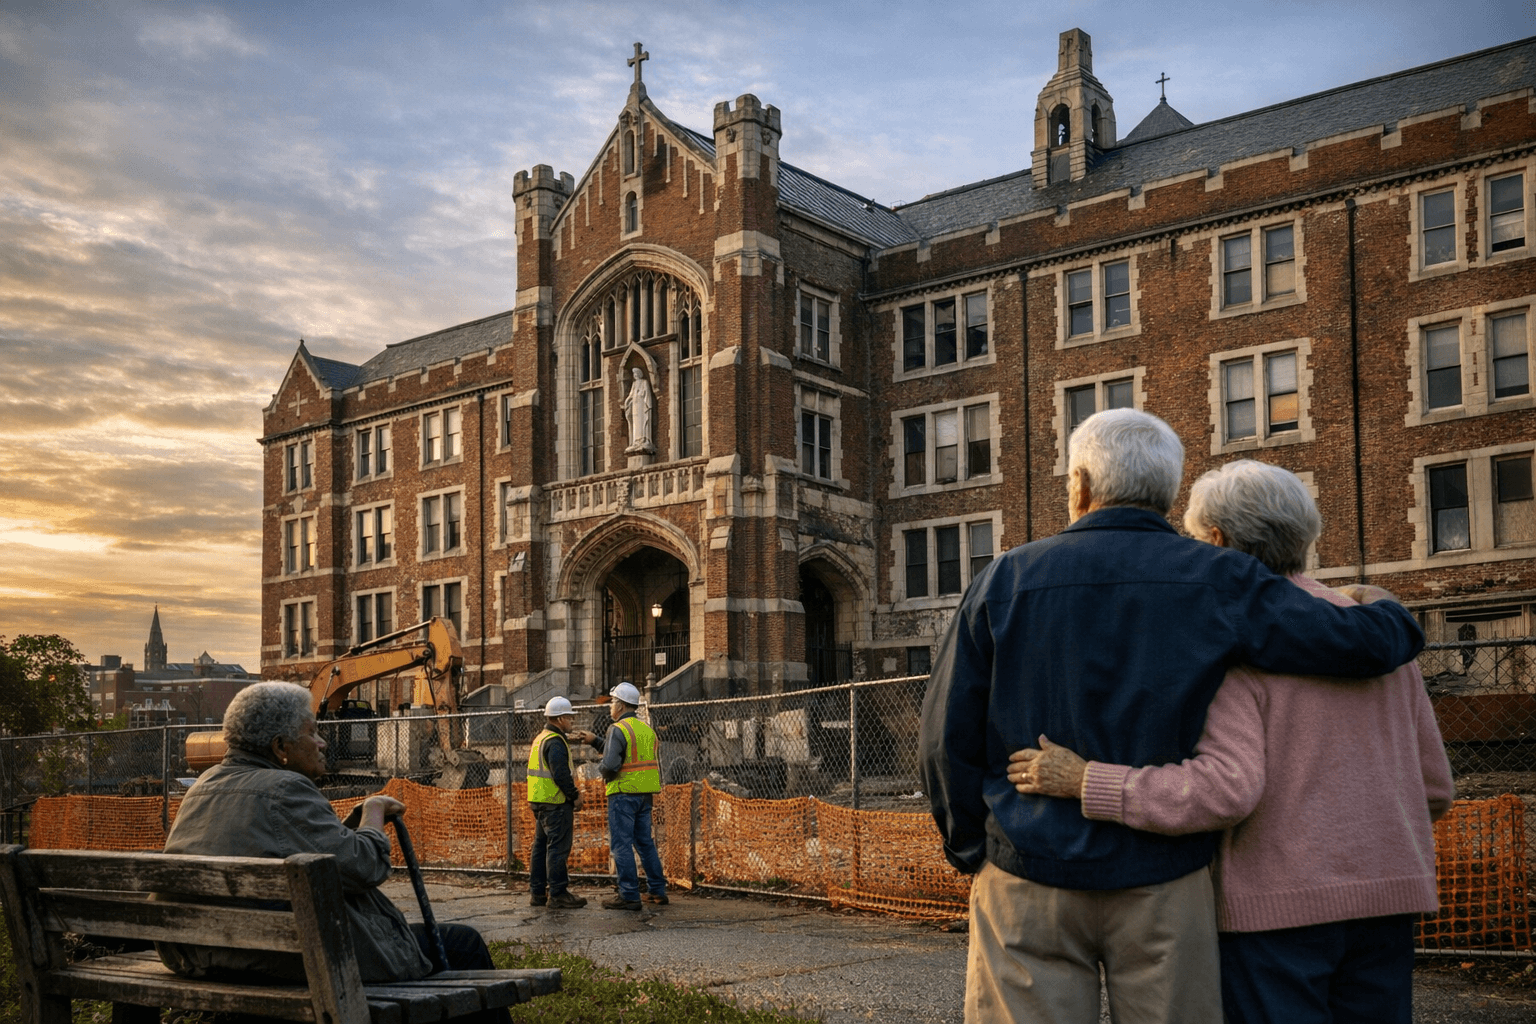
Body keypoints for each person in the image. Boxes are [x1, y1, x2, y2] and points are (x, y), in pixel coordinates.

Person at [918, 409, 1426, 1024]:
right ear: (1168, 492)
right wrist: (1390, 610)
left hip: (1029, 868)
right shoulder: (1221, 578)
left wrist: (974, 846)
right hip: (1165, 878)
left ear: (1079, 485)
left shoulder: (1004, 578)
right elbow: (1358, 647)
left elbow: (948, 733)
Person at [159, 681, 505, 1016]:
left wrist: (348, 827)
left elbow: (294, 849)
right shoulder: (286, 788)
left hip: (200, 952)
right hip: (280, 957)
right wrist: (372, 813)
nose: (322, 743)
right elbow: (364, 868)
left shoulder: (202, 787)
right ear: (281, 747)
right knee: (463, 943)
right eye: (312, 733)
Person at [596, 680, 667, 910]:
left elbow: (610, 764)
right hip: (645, 795)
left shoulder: (617, 729)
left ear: (621, 704)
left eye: (612, 702)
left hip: (623, 794)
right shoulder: (647, 730)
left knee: (621, 845)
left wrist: (601, 770)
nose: (610, 707)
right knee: (645, 843)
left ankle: (629, 894)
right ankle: (657, 890)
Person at [526, 695, 599, 909]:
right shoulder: (555, 742)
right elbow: (560, 775)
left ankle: (537, 893)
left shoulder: (542, 738)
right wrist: (574, 795)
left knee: (540, 848)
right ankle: (558, 893)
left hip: (539, 802)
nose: (572, 721)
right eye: (569, 717)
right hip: (555, 803)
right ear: (559, 719)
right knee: (557, 848)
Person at [623, 367, 654, 453]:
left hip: (642, 405)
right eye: (634, 374)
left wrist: (647, 403)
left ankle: (643, 439)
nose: (635, 375)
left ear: (640, 374)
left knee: (642, 421)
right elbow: (631, 394)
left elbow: (647, 393)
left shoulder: (644, 382)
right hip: (635, 406)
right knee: (636, 423)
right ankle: (636, 441)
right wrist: (627, 401)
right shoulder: (634, 384)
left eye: (636, 374)